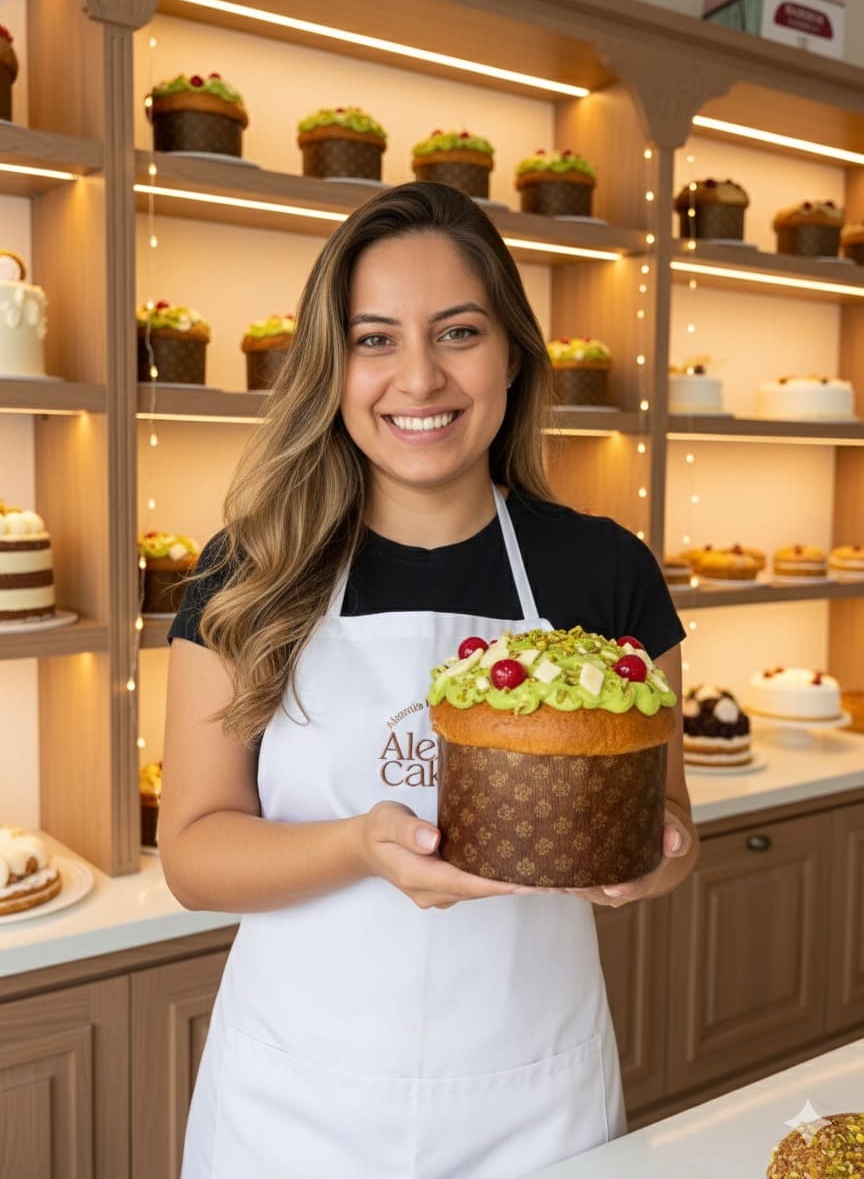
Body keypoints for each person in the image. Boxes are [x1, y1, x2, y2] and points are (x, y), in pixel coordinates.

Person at [159, 180, 697, 1179]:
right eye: (375, 339)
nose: (419, 377)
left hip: (538, 1102)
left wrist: (644, 859)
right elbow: (192, 852)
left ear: (511, 355)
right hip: (295, 1104)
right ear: (333, 365)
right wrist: (362, 847)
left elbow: (669, 824)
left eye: (458, 331)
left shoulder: (606, 571)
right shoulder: (253, 569)